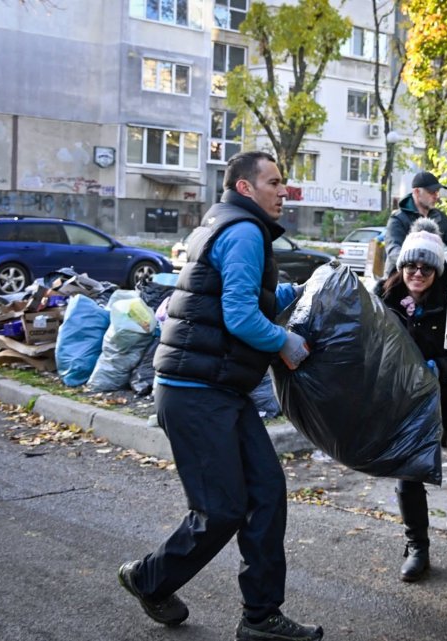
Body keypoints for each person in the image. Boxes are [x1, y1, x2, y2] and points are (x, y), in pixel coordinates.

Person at [117, 151, 323, 641]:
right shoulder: (245, 231)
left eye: (284, 182)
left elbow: (236, 297)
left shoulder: (226, 224)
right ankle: (148, 577)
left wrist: (295, 293)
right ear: (246, 188)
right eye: (274, 182)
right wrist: (285, 342)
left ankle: (261, 618)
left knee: (267, 494)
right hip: (194, 392)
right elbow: (239, 317)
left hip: (219, 390)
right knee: (223, 509)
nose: (283, 191)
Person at [376, 218, 447, 582]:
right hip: (407, 398)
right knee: (408, 472)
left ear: (438, 270)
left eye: (426, 266)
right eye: (410, 264)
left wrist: (438, 367)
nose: (417, 272)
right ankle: (418, 548)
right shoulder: (386, 297)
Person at [384, 170, 447, 274]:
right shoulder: (398, 219)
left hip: (432, 279)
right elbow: (393, 250)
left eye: (437, 191)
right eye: (431, 192)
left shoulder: (441, 218)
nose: (436, 196)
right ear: (416, 192)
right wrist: (415, 265)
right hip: (399, 280)